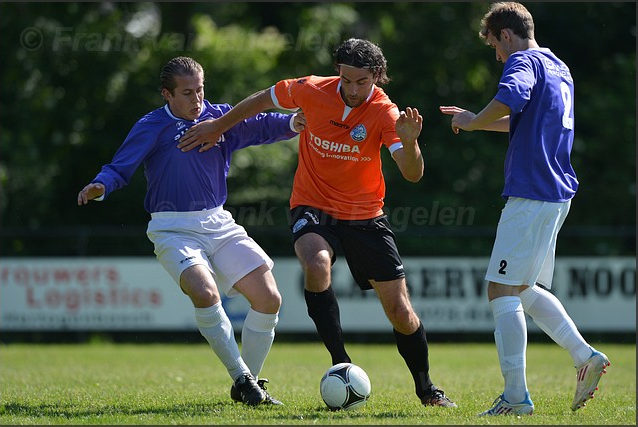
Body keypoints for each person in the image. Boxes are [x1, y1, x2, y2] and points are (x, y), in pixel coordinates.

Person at [177, 38, 457, 408]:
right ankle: (340, 361)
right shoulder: (311, 89)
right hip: (313, 204)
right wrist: (218, 126)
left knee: (401, 312)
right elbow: (262, 99)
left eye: (362, 82)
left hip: (365, 215)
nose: (354, 89)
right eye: (348, 79)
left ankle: (427, 390)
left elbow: (412, 174)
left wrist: (411, 144)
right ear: (338, 71)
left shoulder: (384, 112)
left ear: (376, 77)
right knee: (316, 262)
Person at [77, 56, 306, 406]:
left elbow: (260, 125)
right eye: (187, 93)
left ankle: (247, 383)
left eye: (200, 90)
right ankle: (243, 378)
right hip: (173, 229)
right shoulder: (151, 125)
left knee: (269, 298)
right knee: (205, 292)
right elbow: (119, 168)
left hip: (219, 222)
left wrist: (293, 121)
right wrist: (100, 185)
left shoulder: (220, 118)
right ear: (167, 95)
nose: (197, 99)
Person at [439, 2, 610, 416]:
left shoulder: (523, 61)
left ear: (506, 34)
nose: (498, 56)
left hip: (531, 192)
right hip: (556, 194)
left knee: (499, 290)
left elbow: (509, 97)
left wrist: (475, 119)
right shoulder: (559, 67)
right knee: (524, 289)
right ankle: (585, 356)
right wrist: (475, 120)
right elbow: (525, 119)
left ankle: (516, 397)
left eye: (495, 47)